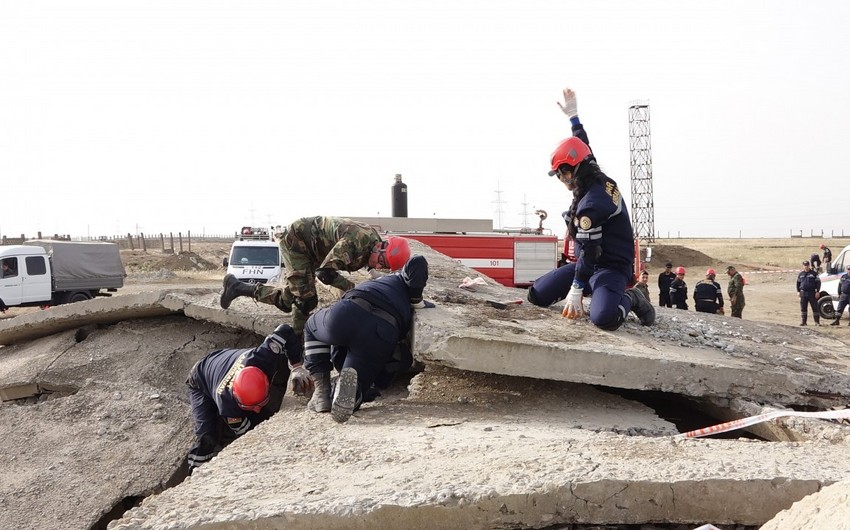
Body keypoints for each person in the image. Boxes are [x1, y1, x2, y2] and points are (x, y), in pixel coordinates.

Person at [526, 87, 655, 330]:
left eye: (562, 173)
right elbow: (582, 145)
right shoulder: (590, 173)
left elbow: (590, 252)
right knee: (536, 295)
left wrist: (576, 289)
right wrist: (573, 118)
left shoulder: (592, 205)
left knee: (604, 319)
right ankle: (593, 289)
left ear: (573, 170)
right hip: (589, 265)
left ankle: (632, 297)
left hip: (610, 267)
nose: (561, 179)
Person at [220, 216, 412, 336]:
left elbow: (369, 265)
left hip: (315, 250)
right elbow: (325, 273)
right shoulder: (355, 243)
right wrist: (351, 288)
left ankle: (237, 287)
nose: (378, 265)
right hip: (297, 242)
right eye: (381, 261)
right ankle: (298, 341)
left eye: (384, 266)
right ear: (381, 248)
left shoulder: (374, 243)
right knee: (306, 299)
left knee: (288, 300)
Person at [303, 254, 434, 423]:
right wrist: (417, 301)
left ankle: (322, 392)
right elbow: (418, 263)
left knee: (311, 326)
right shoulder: (399, 286)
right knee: (356, 388)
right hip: (381, 332)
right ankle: (347, 392)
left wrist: (416, 299)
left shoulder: (394, 278)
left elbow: (417, 260)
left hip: (349, 313)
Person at [185, 323, 311, 474]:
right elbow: (248, 432)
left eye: (260, 403)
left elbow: (285, 329)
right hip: (199, 378)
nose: (256, 409)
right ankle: (195, 471)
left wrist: (297, 367)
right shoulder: (227, 404)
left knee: (262, 414)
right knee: (206, 435)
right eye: (251, 407)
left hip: (223, 360)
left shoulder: (263, 356)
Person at [797, 260, 821, 326]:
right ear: (803, 266)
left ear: (809, 265)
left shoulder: (814, 273)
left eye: (807, 265)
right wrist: (798, 291)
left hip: (812, 293)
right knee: (803, 308)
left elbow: (818, 283)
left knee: (815, 308)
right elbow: (798, 283)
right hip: (803, 293)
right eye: (805, 265)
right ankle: (804, 322)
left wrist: (817, 291)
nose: (806, 266)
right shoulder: (801, 274)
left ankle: (817, 322)